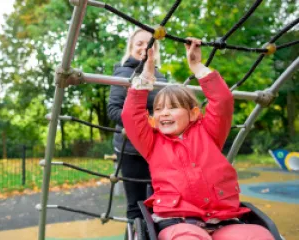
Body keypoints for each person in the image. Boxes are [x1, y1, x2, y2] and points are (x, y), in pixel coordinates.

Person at [121, 38, 275, 240]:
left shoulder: (209, 133)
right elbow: (130, 115)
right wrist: (147, 76)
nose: (164, 113)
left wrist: (197, 66)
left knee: (258, 236)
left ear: (193, 114)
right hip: (177, 221)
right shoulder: (152, 143)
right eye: (158, 109)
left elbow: (223, 100)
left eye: (172, 107)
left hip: (223, 219)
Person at [107, 28, 167, 220]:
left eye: (150, 44)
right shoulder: (124, 73)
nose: (144, 47)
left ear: (155, 50)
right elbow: (114, 110)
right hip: (131, 149)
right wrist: (145, 123)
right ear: (131, 47)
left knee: (159, 202)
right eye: (139, 43)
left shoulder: (161, 77)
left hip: (157, 147)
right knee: (137, 205)